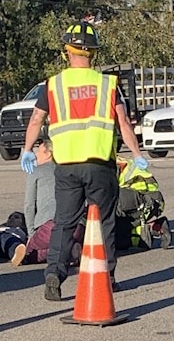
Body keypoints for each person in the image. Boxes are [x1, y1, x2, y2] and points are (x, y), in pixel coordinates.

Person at [22, 22, 147, 302]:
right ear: (94, 53)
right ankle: (107, 277)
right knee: (104, 223)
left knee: (64, 223)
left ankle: (54, 275)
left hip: (66, 166)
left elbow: (36, 120)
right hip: (100, 164)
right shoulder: (107, 85)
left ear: (67, 51)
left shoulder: (53, 85)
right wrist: (137, 155)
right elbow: (123, 123)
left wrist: (28, 149)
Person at [10, 134, 56, 267]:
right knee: (62, 244)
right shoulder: (66, 171)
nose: (36, 155)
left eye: (39, 151)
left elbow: (29, 206)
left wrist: (31, 234)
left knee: (31, 254)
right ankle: (71, 250)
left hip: (49, 225)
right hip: (74, 225)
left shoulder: (36, 172)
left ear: (48, 154)